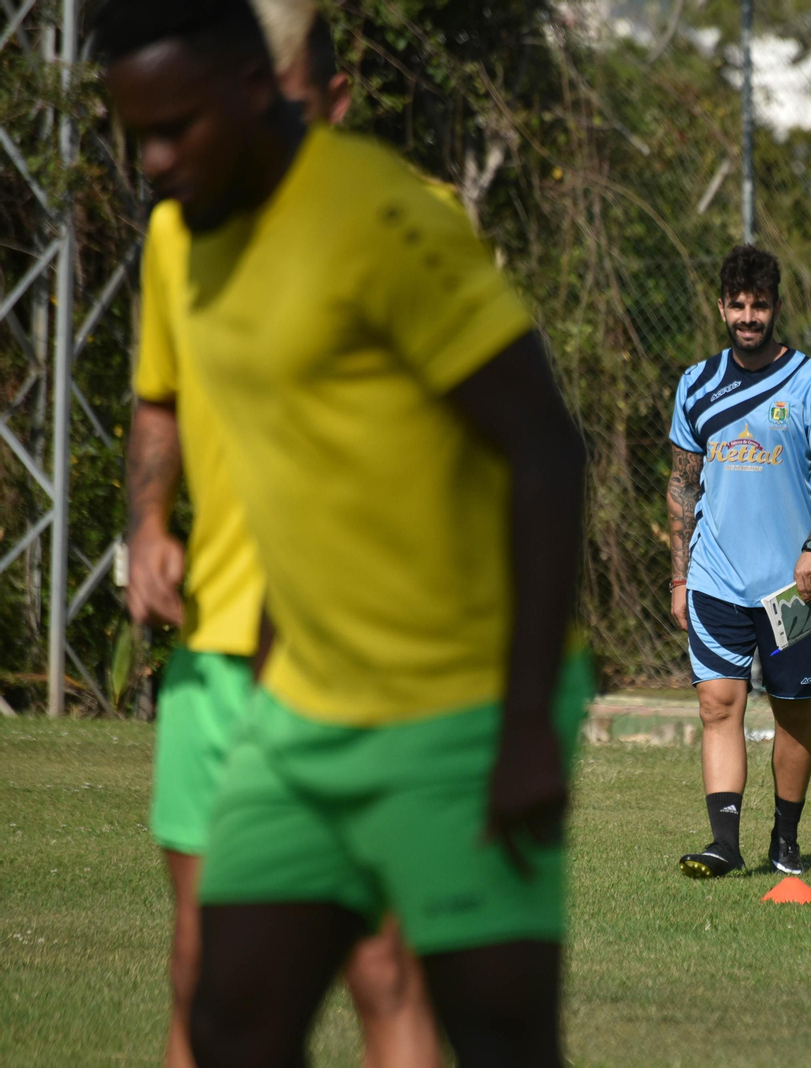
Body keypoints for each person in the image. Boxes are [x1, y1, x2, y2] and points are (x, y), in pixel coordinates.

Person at [98, 1, 591, 1064]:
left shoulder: (380, 220)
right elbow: (297, 474)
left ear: (250, 85)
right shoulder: (181, 237)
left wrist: (523, 726)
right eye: (138, 134)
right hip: (302, 706)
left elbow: (547, 452)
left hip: (460, 705)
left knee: (495, 1035)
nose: (155, 160)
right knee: (228, 1015)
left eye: (176, 126)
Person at [125, 5, 437, 1067]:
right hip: (217, 658)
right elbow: (158, 397)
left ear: (334, 105)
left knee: (381, 965)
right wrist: (148, 525)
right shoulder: (178, 231)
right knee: (204, 967)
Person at [666, 244, 811, 878]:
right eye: (738, 305)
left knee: (793, 712)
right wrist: (680, 575)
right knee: (718, 704)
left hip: (792, 587)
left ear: (776, 307)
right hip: (715, 577)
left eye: (760, 305)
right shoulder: (697, 384)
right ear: (721, 307)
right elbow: (682, 485)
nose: (748, 317)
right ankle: (724, 844)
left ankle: (786, 838)